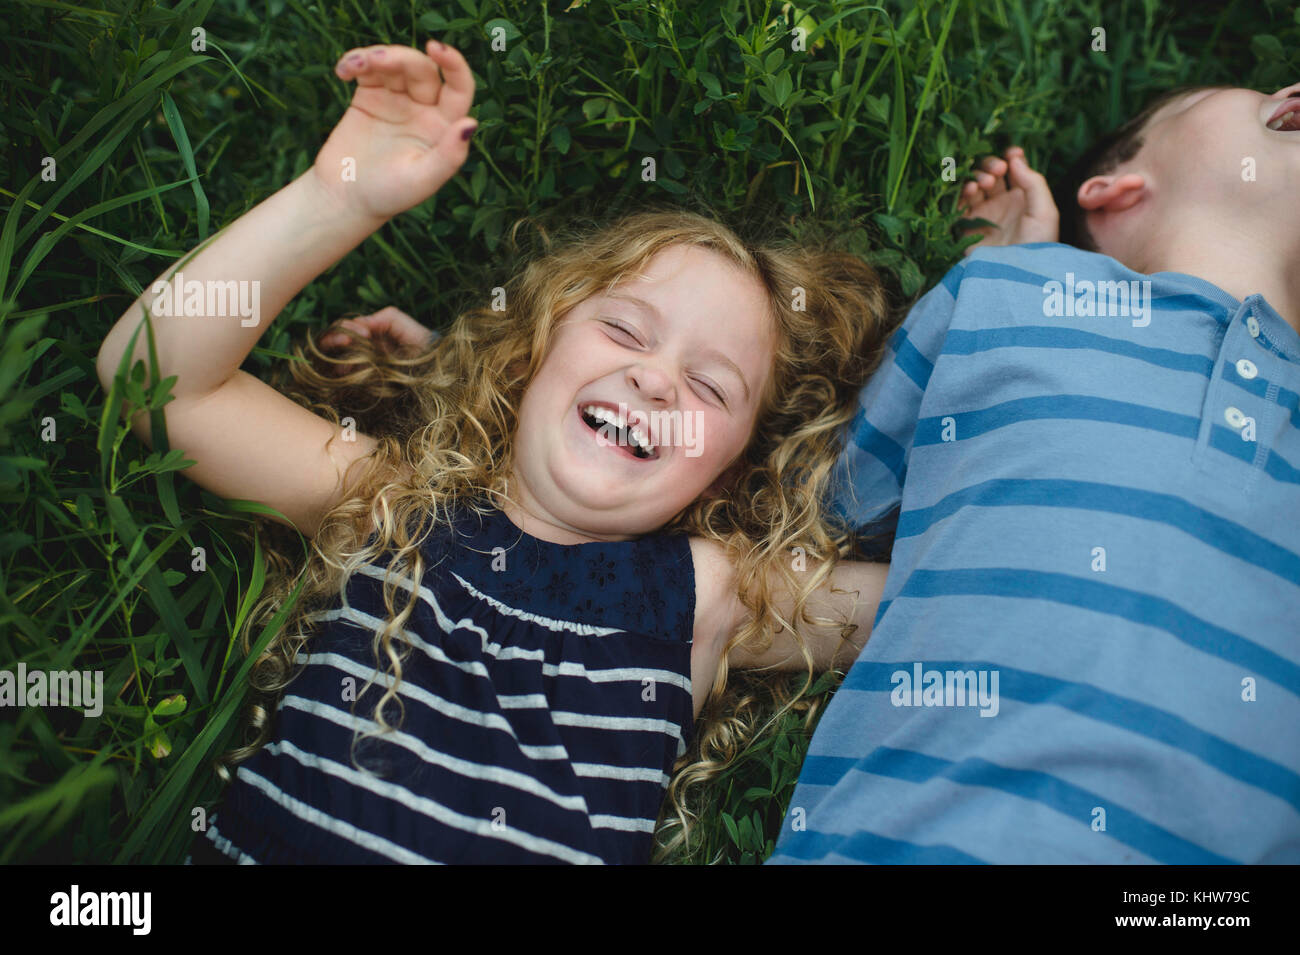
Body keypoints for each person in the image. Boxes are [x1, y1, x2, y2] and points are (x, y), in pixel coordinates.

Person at [96, 40, 896, 863]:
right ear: (529, 356)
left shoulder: (708, 594)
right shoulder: (396, 503)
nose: (655, 381)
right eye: (623, 329)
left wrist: (1016, 320)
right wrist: (338, 199)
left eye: (711, 387)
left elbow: (943, 597)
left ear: (725, 468)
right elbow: (153, 381)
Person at [767, 82, 1300, 864]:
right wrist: (1015, 261)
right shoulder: (1011, 294)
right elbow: (827, 499)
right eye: (1251, 94)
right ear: (1115, 192)